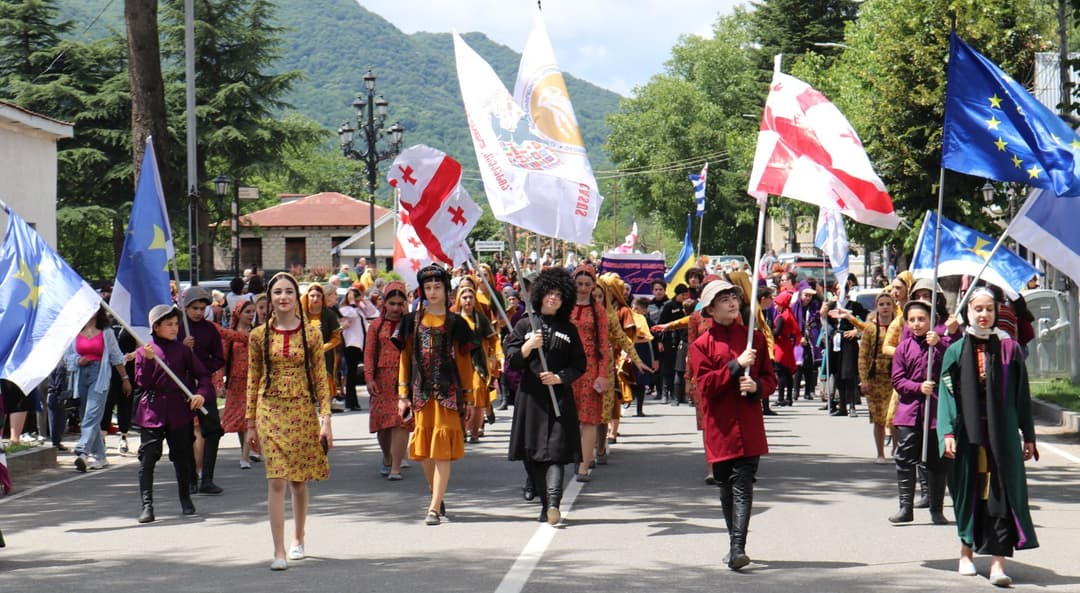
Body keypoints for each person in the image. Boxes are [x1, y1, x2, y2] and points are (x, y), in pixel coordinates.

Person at [938, 286, 1039, 586]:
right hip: (967, 435)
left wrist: (1028, 434)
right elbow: (946, 395)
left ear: (997, 313)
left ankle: (997, 564)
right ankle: (966, 553)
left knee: (1001, 495)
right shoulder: (956, 350)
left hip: (1002, 435)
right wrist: (946, 432)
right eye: (978, 309)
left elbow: (1022, 395)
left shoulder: (1010, 350)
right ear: (968, 311)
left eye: (989, 309)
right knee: (969, 493)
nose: (984, 315)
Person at [246, 272, 333, 570]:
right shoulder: (257, 336)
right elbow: (252, 379)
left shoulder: (311, 334)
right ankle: (278, 550)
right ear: (269, 299)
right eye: (277, 292)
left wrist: (326, 419)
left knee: (298, 481)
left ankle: (299, 537)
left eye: (288, 292)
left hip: (301, 409)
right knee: (276, 481)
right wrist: (249, 424)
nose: (283, 297)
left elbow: (321, 378)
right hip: (269, 409)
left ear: (297, 297)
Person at [688, 279, 777, 571]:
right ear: (710, 309)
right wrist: (736, 365)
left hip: (749, 423)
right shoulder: (701, 345)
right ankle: (733, 542)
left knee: (743, 484)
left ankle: (738, 548)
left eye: (733, 297)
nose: (731, 302)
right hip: (721, 427)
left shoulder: (755, 338)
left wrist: (757, 386)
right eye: (723, 299)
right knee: (726, 486)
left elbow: (769, 379)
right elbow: (705, 385)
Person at [393, 265, 478, 526]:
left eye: (437, 287)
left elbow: (465, 362)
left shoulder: (457, 323)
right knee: (425, 451)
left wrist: (470, 396)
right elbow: (405, 358)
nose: (432, 292)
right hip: (421, 392)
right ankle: (436, 496)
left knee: (442, 450)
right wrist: (402, 393)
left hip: (449, 392)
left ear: (446, 289)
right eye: (428, 288)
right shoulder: (411, 321)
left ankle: (432, 508)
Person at [506, 267, 586, 524]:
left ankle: (553, 503)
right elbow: (512, 360)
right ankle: (544, 502)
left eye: (559, 295)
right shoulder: (524, 324)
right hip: (531, 398)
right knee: (533, 455)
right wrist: (528, 347)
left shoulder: (569, 330)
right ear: (539, 294)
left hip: (559, 398)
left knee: (556, 453)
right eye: (549, 293)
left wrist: (561, 377)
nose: (553, 298)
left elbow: (579, 365)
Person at [133, 304, 211, 523]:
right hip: (152, 411)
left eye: (176, 323)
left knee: (182, 457)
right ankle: (147, 506)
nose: (174, 328)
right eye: (169, 324)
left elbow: (203, 376)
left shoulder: (183, 351)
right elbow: (141, 382)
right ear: (155, 327)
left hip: (179, 409)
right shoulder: (144, 351)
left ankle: (186, 499)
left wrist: (201, 395)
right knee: (148, 458)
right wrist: (148, 361)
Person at [888, 298, 957, 526]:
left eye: (921, 319)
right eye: (912, 320)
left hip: (937, 411)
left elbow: (955, 362)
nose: (917, 324)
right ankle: (905, 507)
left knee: (938, 462)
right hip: (909, 412)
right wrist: (918, 387)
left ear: (931, 321)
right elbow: (897, 380)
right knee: (905, 459)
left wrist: (940, 344)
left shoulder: (941, 342)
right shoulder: (903, 347)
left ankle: (936, 509)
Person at [67, 307, 130, 471]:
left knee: (92, 414)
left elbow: (116, 355)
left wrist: (125, 379)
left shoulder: (106, 332)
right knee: (86, 416)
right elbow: (68, 356)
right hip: (81, 376)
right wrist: (78, 360)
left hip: (99, 375)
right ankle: (101, 457)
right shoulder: (75, 331)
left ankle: (82, 452)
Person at [178, 286, 226, 494]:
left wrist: (203, 367)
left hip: (204, 385)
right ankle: (189, 479)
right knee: (184, 432)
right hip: (181, 385)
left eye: (202, 308)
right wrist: (181, 347)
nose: (198, 312)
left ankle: (207, 478)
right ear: (186, 307)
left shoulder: (210, 330)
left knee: (213, 429)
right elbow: (165, 357)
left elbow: (219, 358)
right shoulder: (177, 327)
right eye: (194, 308)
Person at [364, 281, 413, 480]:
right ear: (384, 303)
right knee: (383, 425)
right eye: (391, 303)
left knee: (402, 421)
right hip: (382, 380)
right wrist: (369, 378)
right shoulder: (376, 326)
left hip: (406, 379)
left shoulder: (412, 324)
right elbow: (369, 354)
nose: (395, 308)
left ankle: (396, 467)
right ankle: (387, 457)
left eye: (399, 303)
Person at [569, 265, 611, 481]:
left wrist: (602, 374)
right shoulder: (564, 307)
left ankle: (584, 466)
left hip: (590, 369)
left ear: (594, 285)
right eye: (580, 284)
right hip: (567, 369)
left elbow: (604, 344)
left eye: (588, 284)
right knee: (569, 417)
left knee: (589, 418)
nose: (583, 288)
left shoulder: (599, 311)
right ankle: (573, 457)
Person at [452, 285, 499, 443]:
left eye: (470, 297)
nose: (467, 300)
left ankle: (474, 433)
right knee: (462, 397)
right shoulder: (453, 319)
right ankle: (462, 431)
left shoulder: (481, 319)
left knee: (478, 395)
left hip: (479, 363)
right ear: (459, 299)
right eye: (464, 297)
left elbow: (493, 338)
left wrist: (493, 356)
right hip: (459, 363)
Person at [857, 291, 896, 463]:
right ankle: (880, 453)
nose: (885, 307)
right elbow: (863, 356)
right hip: (875, 379)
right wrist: (864, 380)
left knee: (895, 417)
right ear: (877, 307)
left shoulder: (900, 327)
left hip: (895, 377)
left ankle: (897, 448)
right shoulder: (871, 329)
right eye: (882, 304)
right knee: (879, 419)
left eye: (888, 304)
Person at [220, 300, 256, 469]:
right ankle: (246, 451)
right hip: (236, 381)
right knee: (240, 419)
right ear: (238, 313)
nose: (251, 315)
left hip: (254, 380)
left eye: (252, 312)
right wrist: (220, 381)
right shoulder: (230, 336)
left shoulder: (257, 333)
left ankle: (246, 456)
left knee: (250, 417)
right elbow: (223, 359)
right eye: (247, 311)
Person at [339, 287, 369, 411]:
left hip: (361, 344)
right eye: (355, 300)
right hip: (351, 344)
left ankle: (353, 402)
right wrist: (352, 302)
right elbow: (352, 314)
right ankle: (350, 402)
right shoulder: (345, 309)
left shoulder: (359, 309)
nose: (357, 303)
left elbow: (372, 312)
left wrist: (363, 299)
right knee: (351, 374)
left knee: (355, 374)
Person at [770, 290, 799, 407]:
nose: (775, 306)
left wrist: (768, 332)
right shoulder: (789, 314)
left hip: (781, 346)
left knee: (781, 373)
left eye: (777, 303)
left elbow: (777, 333)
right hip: (786, 345)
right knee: (787, 374)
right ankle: (788, 398)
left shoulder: (782, 317)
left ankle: (781, 398)